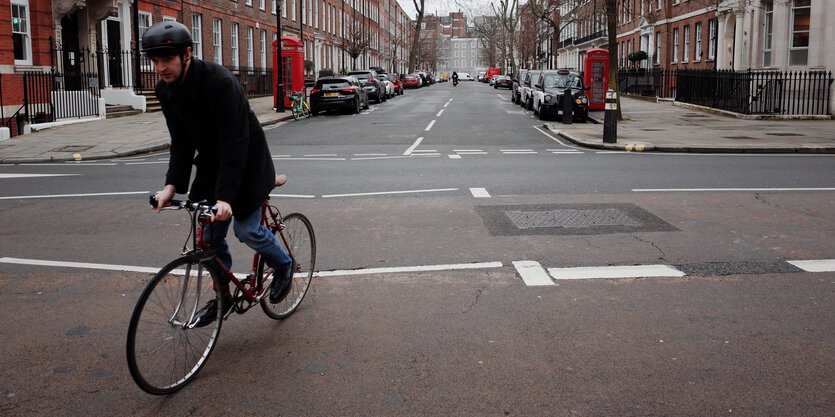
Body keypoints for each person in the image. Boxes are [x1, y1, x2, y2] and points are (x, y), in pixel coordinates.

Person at [144, 21, 294, 327]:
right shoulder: (165, 89)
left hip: (248, 161)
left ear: (186, 53)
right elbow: (181, 141)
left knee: (246, 230)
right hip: (213, 165)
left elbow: (235, 143)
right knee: (208, 238)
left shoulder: (220, 82)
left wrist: (225, 199)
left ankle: (284, 265)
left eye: (166, 59)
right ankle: (223, 295)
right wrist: (171, 186)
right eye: (155, 61)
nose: (160, 68)